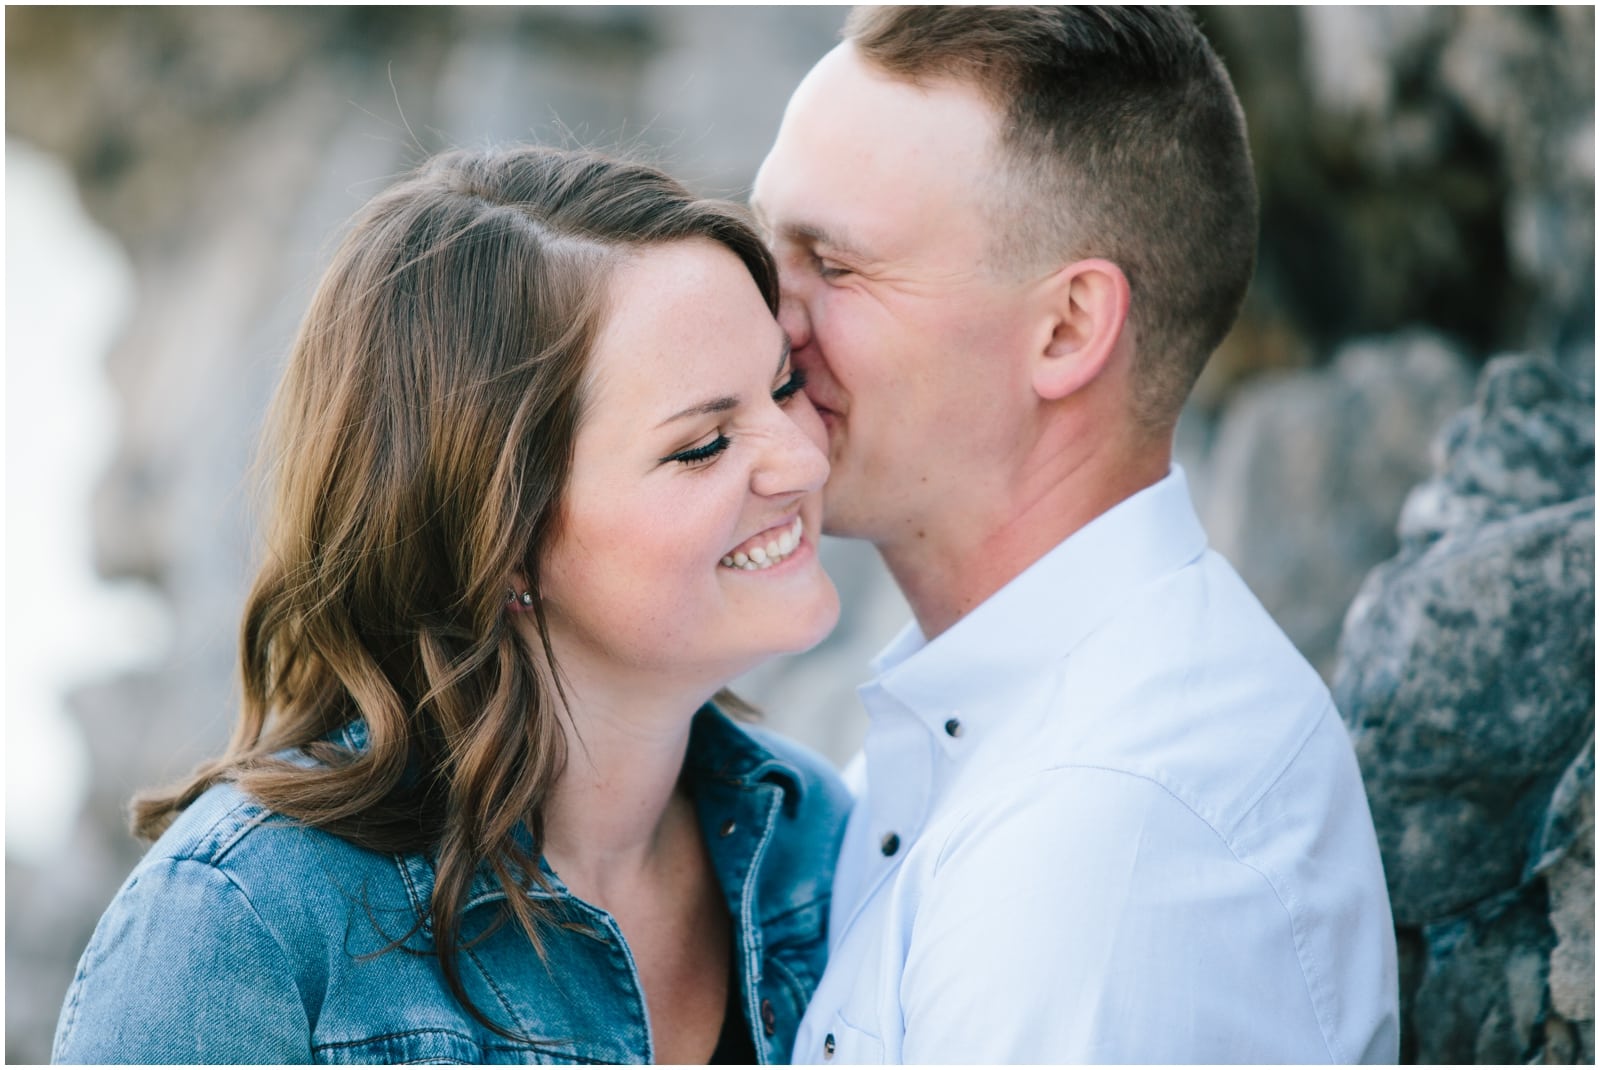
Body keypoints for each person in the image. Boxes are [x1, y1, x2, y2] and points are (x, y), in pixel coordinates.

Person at [52, 145, 850, 1064]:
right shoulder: (244, 925)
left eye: (784, 387)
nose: (804, 460)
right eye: (704, 444)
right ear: (497, 535)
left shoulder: (815, 843)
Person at [752, 7, 1399, 1063]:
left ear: (1065, 330)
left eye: (832, 262)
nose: (762, 319)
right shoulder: (997, 726)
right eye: (764, 240)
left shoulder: (1106, 842)